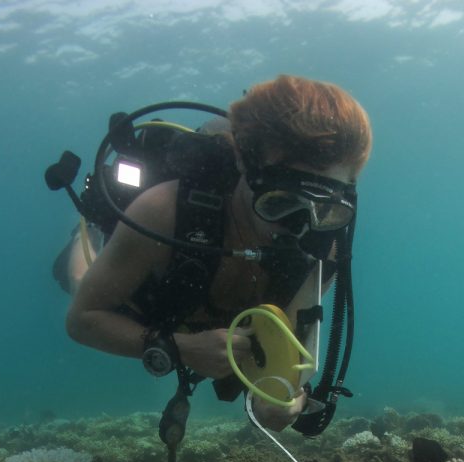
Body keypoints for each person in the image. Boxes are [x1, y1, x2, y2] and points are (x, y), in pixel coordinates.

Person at [61, 75, 372, 432]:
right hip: (153, 298)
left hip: (214, 316)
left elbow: (283, 353)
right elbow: (82, 320)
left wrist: (283, 398)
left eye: (326, 210)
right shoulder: (164, 210)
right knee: (78, 282)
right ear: (244, 163)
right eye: (280, 202)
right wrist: (179, 349)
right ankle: (84, 232)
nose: (300, 226)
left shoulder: (323, 242)